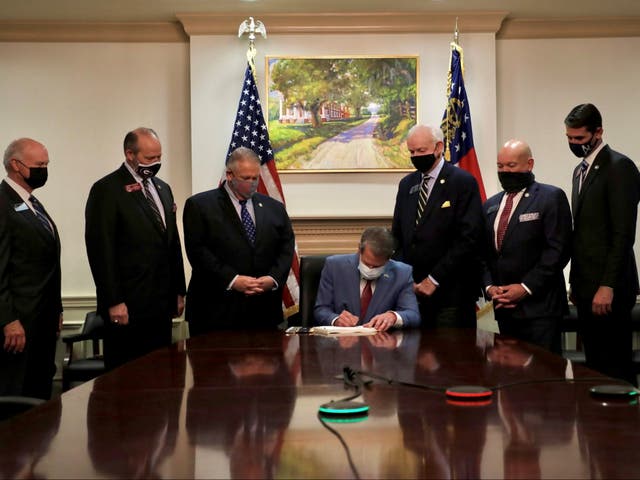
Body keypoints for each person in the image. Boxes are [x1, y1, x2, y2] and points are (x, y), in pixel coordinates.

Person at [85, 127, 186, 371]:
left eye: (159, 157)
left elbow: (172, 243)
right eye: (149, 158)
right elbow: (101, 250)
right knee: (126, 378)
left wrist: (179, 290)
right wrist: (114, 301)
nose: (156, 163)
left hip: (160, 304)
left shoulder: (162, 188)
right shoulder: (107, 189)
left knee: (160, 376)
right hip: (128, 305)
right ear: (130, 154)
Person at [565, 103, 640, 384]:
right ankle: (597, 427)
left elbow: (623, 233)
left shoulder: (619, 167)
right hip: (586, 287)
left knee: (615, 366)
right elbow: (582, 234)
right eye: (570, 138)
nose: (574, 144)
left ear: (598, 132)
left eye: (580, 139)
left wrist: (607, 286)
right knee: (593, 366)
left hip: (610, 288)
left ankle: (623, 426)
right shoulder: (580, 171)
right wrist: (575, 282)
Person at [183, 146, 295, 334]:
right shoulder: (200, 206)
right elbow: (198, 252)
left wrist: (273, 278)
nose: (252, 183)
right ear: (229, 175)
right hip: (216, 312)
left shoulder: (273, 207)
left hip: (262, 312)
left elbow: (286, 247)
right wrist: (233, 280)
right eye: (246, 178)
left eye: (255, 178)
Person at [483, 139, 572, 353]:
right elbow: (483, 253)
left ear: (529, 164)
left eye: (511, 166)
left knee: (544, 378)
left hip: (541, 310)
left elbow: (558, 251)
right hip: (504, 307)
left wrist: (524, 288)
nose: (504, 171)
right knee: (510, 377)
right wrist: (490, 287)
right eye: (500, 166)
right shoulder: (491, 205)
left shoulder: (551, 197)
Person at [392, 124, 485, 328]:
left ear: (438, 147)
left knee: (451, 357)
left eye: (421, 151)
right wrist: (406, 280)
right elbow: (398, 237)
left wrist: (433, 279)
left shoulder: (462, 182)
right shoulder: (407, 185)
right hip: (413, 294)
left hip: (451, 293)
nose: (416, 156)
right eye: (412, 152)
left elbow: (468, 238)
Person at [0, 138, 62, 399]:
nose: (44, 170)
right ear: (16, 165)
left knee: (40, 395)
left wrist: (56, 308)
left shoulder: (33, 204)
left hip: (43, 320)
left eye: (46, 164)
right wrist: (9, 320)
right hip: (19, 324)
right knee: (17, 395)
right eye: (39, 165)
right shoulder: (3, 204)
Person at [314, 227, 420, 331]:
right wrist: (336, 319)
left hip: (381, 344)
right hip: (343, 343)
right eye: (367, 264)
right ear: (359, 249)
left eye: (377, 266)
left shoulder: (402, 273)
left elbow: (413, 315)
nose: (370, 269)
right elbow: (321, 309)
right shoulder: (334, 266)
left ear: (389, 258)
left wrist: (393, 317)